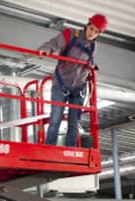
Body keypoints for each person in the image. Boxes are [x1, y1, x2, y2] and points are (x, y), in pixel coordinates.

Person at [39, 14, 107, 147]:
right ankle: (49, 148)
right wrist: (44, 50)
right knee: (56, 118)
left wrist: (91, 65)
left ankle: (71, 150)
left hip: (79, 87)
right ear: (87, 25)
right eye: (91, 29)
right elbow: (53, 44)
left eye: (96, 32)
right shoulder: (71, 34)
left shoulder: (93, 46)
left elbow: (88, 61)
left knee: (74, 122)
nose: (92, 33)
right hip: (61, 84)